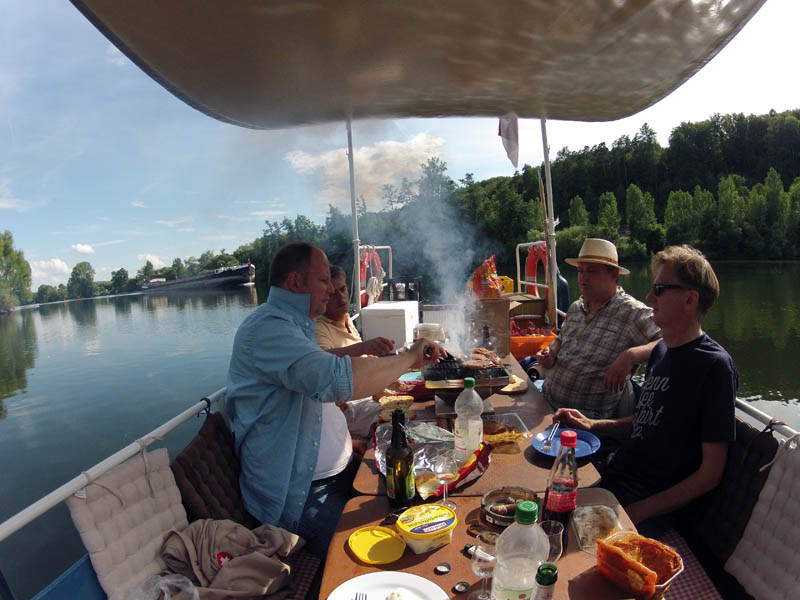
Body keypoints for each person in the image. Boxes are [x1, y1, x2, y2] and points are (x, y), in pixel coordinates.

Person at [225, 242, 445, 556]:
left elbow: (311, 400)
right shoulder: (267, 330)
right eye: (324, 280)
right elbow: (337, 381)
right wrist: (410, 356)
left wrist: (343, 444)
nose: (331, 290)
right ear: (295, 282)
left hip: (339, 471)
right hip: (302, 493)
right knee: (390, 547)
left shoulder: (296, 325)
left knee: (422, 507)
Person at [553, 245, 738, 536]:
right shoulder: (662, 351)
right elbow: (647, 421)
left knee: (555, 531)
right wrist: (592, 424)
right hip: (617, 473)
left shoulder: (714, 367)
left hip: (649, 502)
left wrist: (638, 512)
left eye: (660, 289)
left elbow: (710, 474)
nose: (650, 297)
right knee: (540, 500)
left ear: (690, 299)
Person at [536, 238, 661, 419]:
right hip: (546, 399)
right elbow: (561, 338)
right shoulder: (576, 307)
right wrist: (552, 351)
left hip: (584, 419)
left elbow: (670, 340)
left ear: (614, 275)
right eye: (580, 271)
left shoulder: (632, 312)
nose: (583, 278)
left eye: (592, 271)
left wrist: (632, 355)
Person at [316, 264, 394, 443]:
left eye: (343, 289)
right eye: (333, 294)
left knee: (406, 401)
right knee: (396, 416)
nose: (341, 297)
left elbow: (360, 359)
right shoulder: (319, 327)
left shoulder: (345, 318)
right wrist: (364, 348)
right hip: (346, 406)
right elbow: (323, 360)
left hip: (367, 393)